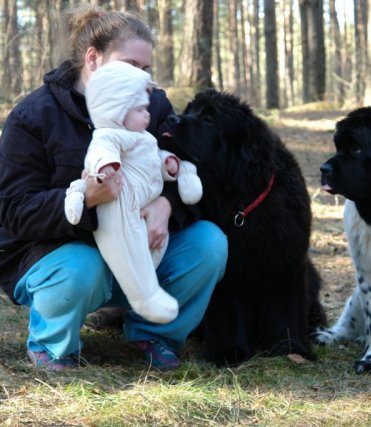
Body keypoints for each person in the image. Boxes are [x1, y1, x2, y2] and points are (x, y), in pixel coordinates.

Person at [0, 5, 227, 371]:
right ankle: (52, 345)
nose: (141, 78)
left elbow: (185, 173)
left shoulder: (152, 104)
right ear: (93, 58)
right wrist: (87, 200)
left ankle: (153, 333)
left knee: (209, 242)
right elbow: (13, 210)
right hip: (57, 257)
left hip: (139, 248)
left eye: (145, 69)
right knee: (83, 265)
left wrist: (168, 205)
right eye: (130, 65)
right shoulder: (33, 116)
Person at [64, 60, 203, 325]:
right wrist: (106, 167)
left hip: (145, 207)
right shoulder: (109, 135)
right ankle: (145, 296)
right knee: (126, 249)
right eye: (140, 109)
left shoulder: (144, 134)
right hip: (121, 207)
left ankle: (148, 327)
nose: (147, 114)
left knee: (159, 249)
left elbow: (150, 157)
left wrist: (168, 167)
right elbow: (100, 152)